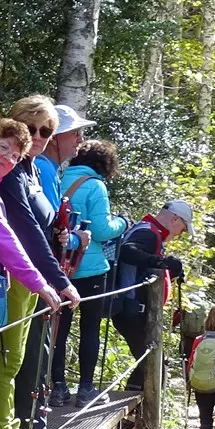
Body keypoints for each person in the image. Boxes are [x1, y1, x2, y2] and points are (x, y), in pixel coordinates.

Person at [0, 119, 68, 429]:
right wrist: (46, 280)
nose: (9, 158)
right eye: (4, 147)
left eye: (16, 154)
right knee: (4, 360)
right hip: (5, 282)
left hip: (12, 279)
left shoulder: (2, 181)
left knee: (10, 360)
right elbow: (11, 236)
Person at [11, 95, 77, 429]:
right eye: (31, 128)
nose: (37, 136)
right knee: (18, 357)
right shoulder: (12, 171)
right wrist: (60, 280)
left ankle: (33, 424)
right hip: (19, 277)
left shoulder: (34, 169)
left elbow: (42, 225)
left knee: (38, 353)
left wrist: (58, 234)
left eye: (45, 131)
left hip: (39, 276)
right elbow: (24, 228)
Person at [55, 139, 128, 407]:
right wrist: (123, 222)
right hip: (91, 268)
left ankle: (57, 387)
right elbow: (101, 230)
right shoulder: (96, 185)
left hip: (60, 267)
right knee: (90, 328)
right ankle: (86, 388)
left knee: (59, 329)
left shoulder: (59, 178)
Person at [41, 103, 95, 407]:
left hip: (43, 274)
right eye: (74, 133)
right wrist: (78, 239)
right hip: (41, 276)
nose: (80, 140)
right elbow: (50, 230)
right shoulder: (45, 170)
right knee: (36, 348)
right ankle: (32, 417)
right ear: (55, 137)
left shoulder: (51, 171)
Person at [110, 200, 191, 391]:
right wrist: (160, 262)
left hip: (134, 310)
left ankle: (134, 407)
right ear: (175, 219)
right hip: (132, 311)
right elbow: (127, 251)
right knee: (154, 369)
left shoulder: (149, 230)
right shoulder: (149, 233)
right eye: (183, 228)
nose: (181, 234)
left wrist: (166, 267)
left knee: (150, 366)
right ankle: (137, 409)